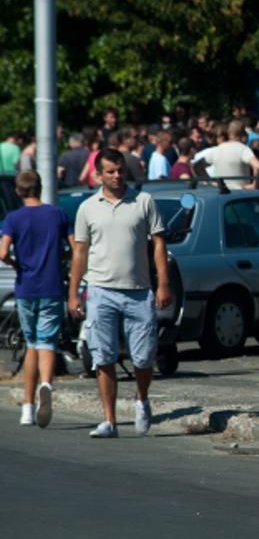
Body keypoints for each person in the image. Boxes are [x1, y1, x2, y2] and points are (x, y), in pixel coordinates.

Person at [67, 149, 173, 438]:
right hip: (100, 290)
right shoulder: (88, 207)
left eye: (120, 170)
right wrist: (73, 293)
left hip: (138, 290)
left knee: (144, 357)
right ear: (98, 175)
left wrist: (163, 283)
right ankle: (109, 420)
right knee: (103, 357)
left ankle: (142, 398)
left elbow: (159, 244)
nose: (116, 176)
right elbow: (80, 251)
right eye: (110, 171)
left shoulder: (143, 201)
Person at [1, 171, 73, 427]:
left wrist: (16, 264)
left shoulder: (13, 218)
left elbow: (2, 252)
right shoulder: (57, 214)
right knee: (47, 342)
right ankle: (46, 385)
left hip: (26, 287)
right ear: (40, 188)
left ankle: (27, 407)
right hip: (52, 286)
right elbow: (75, 246)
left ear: (18, 191)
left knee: (31, 343)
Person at [194, 119, 259, 188]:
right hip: (240, 192)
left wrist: (210, 182)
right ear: (243, 135)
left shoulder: (217, 150)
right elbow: (258, 166)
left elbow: (197, 166)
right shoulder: (243, 149)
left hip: (222, 192)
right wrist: (254, 185)